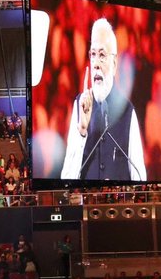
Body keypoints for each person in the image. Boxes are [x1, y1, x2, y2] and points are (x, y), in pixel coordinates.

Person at [60, 18, 147, 181]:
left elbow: (139, 176)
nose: (96, 64)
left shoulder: (128, 111)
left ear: (114, 64)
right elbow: (67, 178)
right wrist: (82, 131)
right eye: (93, 54)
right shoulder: (79, 104)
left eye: (102, 55)